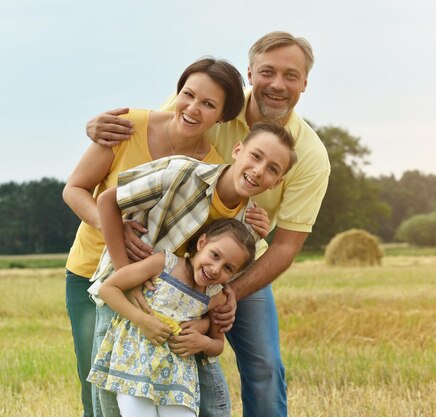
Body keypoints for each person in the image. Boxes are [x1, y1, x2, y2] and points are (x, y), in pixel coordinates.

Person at [87, 31, 331, 417]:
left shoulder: (312, 156)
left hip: (237, 265)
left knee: (264, 365)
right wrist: (102, 134)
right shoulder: (214, 104)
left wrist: (224, 294)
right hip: (171, 257)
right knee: (130, 365)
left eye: (291, 75)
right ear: (251, 73)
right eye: (268, 72)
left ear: (305, 83)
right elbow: (158, 133)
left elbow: (286, 246)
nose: (278, 84)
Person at [63, 57, 268, 417]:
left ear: (221, 116)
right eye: (188, 95)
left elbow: (204, 249)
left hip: (153, 286)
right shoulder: (129, 126)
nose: (192, 108)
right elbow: (75, 189)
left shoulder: (211, 169)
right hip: (92, 270)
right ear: (176, 93)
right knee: (96, 386)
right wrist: (114, 228)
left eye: (208, 104)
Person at [89, 122, 297, 417]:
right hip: (128, 295)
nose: (259, 170)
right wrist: (128, 281)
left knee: (212, 404)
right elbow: (108, 199)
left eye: (273, 169)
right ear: (238, 150)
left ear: (276, 183)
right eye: (256, 156)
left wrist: (206, 324)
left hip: (178, 321)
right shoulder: (182, 172)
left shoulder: (248, 227)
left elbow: (218, 290)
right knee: (115, 404)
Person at [88, 219, 256, 417]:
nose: (215, 269)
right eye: (215, 255)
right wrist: (142, 320)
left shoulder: (215, 296)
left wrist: (202, 342)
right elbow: (108, 288)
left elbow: (218, 344)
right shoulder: (164, 264)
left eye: (228, 268)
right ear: (202, 243)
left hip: (178, 377)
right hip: (135, 364)